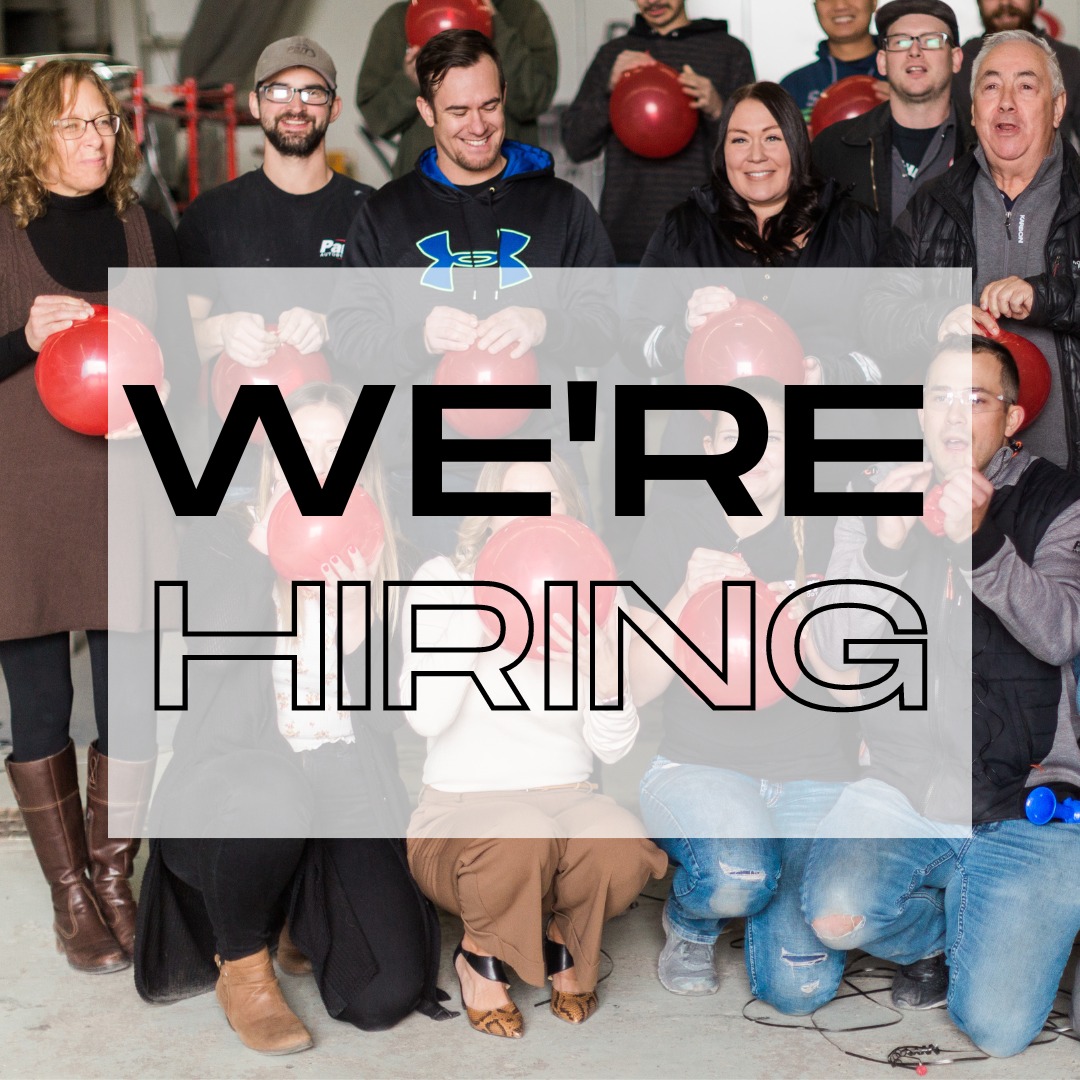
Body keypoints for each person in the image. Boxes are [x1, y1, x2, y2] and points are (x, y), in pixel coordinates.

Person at [135, 383, 447, 1055]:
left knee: (385, 993)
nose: (321, 462)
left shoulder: (389, 554)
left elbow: (389, 716)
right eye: (303, 446)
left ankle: (294, 907)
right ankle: (244, 968)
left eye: (339, 447)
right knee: (272, 794)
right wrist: (263, 544)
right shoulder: (220, 537)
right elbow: (203, 657)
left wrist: (358, 615)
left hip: (339, 775)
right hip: (232, 793)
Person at [803, 335, 1080, 1054]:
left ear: (1012, 418)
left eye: (975, 399)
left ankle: (977, 897)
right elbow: (835, 646)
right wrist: (884, 553)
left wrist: (982, 543)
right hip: (904, 782)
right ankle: (939, 932)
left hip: (1027, 799)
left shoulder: (1061, 501)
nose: (954, 414)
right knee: (834, 913)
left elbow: (1060, 634)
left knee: (996, 1027)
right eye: (939, 398)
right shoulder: (876, 494)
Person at [0, 59, 178, 974]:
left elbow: (177, 351)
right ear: (34, 134)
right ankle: (69, 891)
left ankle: (115, 876)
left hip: (125, 492)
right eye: (73, 124)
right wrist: (21, 339)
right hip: (24, 502)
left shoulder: (137, 224)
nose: (95, 139)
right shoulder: (2, 231)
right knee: (41, 707)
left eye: (104, 122)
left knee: (131, 702)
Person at [401, 456, 668, 1038]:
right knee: (521, 832)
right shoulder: (443, 578)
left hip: (567, 797)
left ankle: (566, 942)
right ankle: (480, 956)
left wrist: (604, 676)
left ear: (570, 513)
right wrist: (481, 608)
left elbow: (613, 747)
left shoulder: (596, 592)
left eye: (547, 500)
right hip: (460, 811)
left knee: (621, 845)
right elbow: (423, 715)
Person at [330, 29, 617, 566]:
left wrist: (546, 324)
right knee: (434, 615)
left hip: (542, 464)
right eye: (458, 111)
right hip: (426, 472)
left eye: (489, 105)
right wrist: (418, 338)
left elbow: (606, 328)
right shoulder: (386, 214)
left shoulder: (563, 207)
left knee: (557, 614)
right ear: (426, 111)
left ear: (505, 96)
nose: (478, 125)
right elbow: (349, 338)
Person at [627, 379, 857, 1009]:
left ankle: (768, 876)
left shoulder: (828, 530)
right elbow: (637, 689)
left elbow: (855, 693)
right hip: (701, 766)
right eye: (734, 437)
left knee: (798, 990)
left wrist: (806, 621)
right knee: (736, 876)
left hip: (813, 771)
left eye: (771, 438)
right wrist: (683, 596)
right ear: (710, 448)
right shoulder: (672, 529)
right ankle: (692, 920)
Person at [876, 29, 1080, 474]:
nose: (1006, 102)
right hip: (952, 478)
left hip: (1068, 475)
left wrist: (1046, 297)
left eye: (1025, 86)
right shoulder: (933, 203)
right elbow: (876, 312)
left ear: (1057, 107)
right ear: (973, 109)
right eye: (990, 86)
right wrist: (936, 318)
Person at [623, 82, 881, 386]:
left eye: (772, 138)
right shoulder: (684, 228)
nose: (756, 155)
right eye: (740, 140)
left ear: (797, 145)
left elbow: (894, 350)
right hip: (716, 416)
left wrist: (829, 375)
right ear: (723, 151)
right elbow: (634, 350)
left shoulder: (854, 225)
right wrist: (683, 332)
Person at [178, 36, 371, 370]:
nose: (296, 107)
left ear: (334, 108)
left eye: (312, 93)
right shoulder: (210, 215)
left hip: (347, 402)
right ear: (255, 104)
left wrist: (331, 326)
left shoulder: (372, 212)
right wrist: (220, 330)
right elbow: (177, 338)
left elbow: (395, 329)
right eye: (278, 91)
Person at [560, 0, 754, 265]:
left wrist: (718, 109)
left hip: (708, 238)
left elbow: (751, 156)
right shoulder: (614, 54)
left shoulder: (729, 52)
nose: (652, 1)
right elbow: (575, 145)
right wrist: (609, 90)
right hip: (627, 241)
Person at [811, 0, 975, 248]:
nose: (915, 51)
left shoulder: (985, 149)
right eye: (900, 42)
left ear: (956, 59)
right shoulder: (832, 149)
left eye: (931, 41)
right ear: (882, 61)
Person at [357, 0, 557, 179]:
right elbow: (376, 119)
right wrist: (412, 81)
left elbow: (536, 98)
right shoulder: (398, 19)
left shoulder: (523, 11)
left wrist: (495, 26)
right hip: (423, 189)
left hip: (511, 184)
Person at [955, 0, 1080, 149]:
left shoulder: (1071, 59)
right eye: (991, 86)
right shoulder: (957, 65)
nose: (1004, 3)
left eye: (1026, 86)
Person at [781, 0, 885, 121]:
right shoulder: (793, 86)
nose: (840, 5)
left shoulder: (900, 76)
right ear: (815, 7)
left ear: (874, 3)